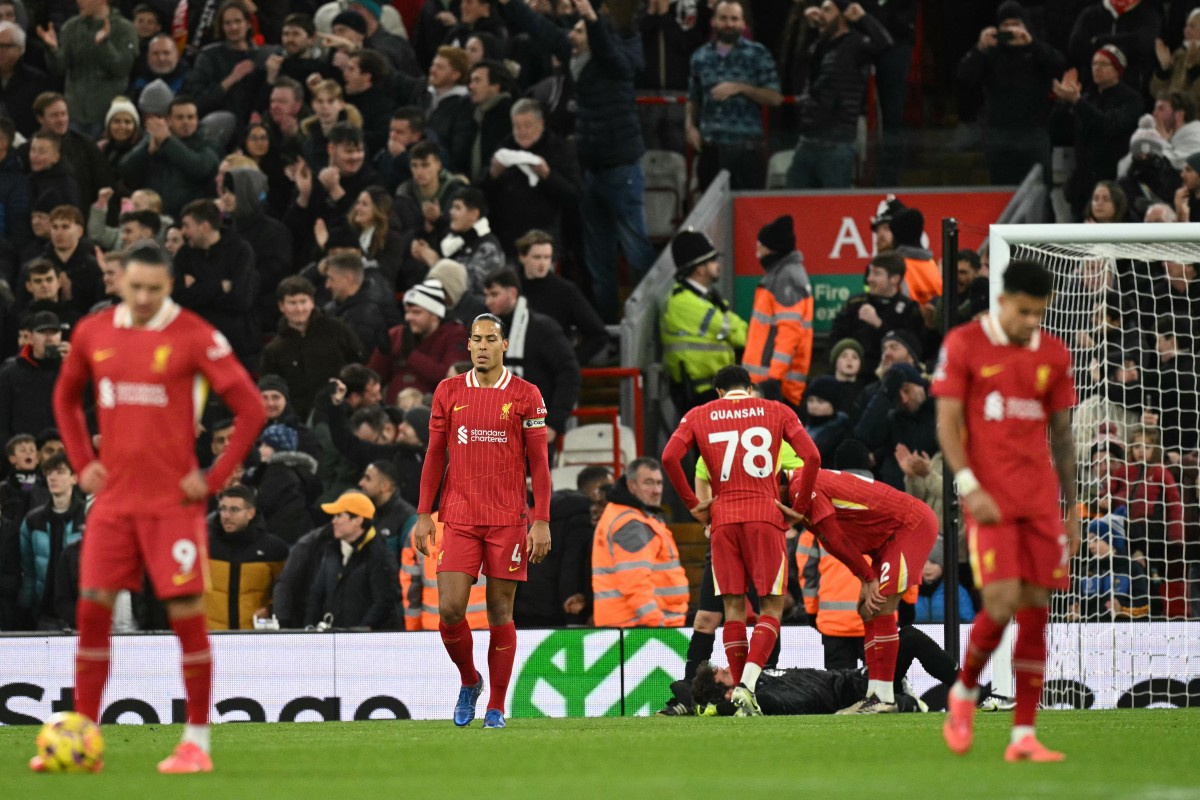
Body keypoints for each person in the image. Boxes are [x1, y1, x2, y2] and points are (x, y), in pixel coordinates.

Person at [46, 241, 266, 773]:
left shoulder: (195, 336)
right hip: (113, 503)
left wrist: (212, 480)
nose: (143, 297)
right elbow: (65, 398)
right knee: (91, 609)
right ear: (118, 280)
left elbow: (251, 408)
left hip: (172, 506)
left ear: (170, 286)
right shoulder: (93, 332)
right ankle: (82, 739)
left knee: (187, 617)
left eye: (154, 289)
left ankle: (196, 743)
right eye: (134, 286)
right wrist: (81, 463)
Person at [932, 258, 1078, 761]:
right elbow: (947, 424)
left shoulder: (1054, 355)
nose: (1031, 321)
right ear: (1002, 300)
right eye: (1023, 311)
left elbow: (1062, 436)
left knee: (1037, 608)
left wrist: (1073, 510)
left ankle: (1023, 735)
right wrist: (968, 484)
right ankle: (965, 690)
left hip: (1039, 503)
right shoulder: (964, 345)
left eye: (1039, 312)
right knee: (999, 603)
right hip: (989, 501)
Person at [411, 311, 552, 730]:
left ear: (504, 345)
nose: (483, 346)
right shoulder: (448, 391)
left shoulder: (526, 395)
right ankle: (469, 680)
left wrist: (541, 520)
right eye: (476, 339)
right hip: (458, 515)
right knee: (451, 609)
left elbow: (540, 464)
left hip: (507, 519)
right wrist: (424, 513)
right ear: (468, 345)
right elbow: (435, 454)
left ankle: (496, 705)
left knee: (499, 612)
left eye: (491, 339)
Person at [661, 364, 820, 716]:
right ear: (750, 388)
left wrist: (693, 505)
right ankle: (747, 686)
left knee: (732, 610)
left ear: (718, 393)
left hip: (723, 519)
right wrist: (801, 507)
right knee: (770, 607)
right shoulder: (777, 410)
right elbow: (812, 457)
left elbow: (670, 457)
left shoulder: (699, 414)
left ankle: (737, 695)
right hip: (765, 516)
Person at [497, 0, 655, 324]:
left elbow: (610, 53)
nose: (574, 35)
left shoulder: (616, 60)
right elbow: (540, 28)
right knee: (598, 262)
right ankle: (610, 329)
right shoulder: (575, 55)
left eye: (581, 30)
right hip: (591, 170)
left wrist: (591, 18)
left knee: (637, 253)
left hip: (621, 168)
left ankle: (647, 323)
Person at [780, 466, 938, 713]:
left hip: (909, 526)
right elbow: (831, 542)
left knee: (881, 606)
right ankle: (875, 694)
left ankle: (885, 697)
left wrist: (867, 578)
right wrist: (864, 578)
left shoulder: (802, 486)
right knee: (867, 611)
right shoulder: (798, 488)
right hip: (886, 539)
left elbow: (835, 537)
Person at [689, 626, 957, 715]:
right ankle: (961, 689)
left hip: (854, 678)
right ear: (728, 694)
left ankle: (904, 698)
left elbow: (683, 687)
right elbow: (806, 700)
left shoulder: (758, 677)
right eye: (725, 674)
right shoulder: (763, 698)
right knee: (908, 638)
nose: (729, 666)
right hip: (854, 691)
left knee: (903, 637)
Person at [955, 2, 1064, 186]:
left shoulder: (1037, 51)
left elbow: (1059, 65)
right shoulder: (991, 53)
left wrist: (1032, 44)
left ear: (1026, 26)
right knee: (1002, 192)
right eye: (1005, 26)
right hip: (999, 136)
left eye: (1016, 24)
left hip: (1034, 133)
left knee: (1040, 191)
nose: (1011, 29)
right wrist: (979, 48)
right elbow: (964, 77)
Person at [785, 0, 891, 189]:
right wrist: (809, 28)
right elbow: (799, 71)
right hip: (807, 139)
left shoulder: (856, 44)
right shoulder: (819, 45)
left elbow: (885, 45)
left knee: (833, 206)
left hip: (836, 142)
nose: (820, 14)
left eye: (827, 10)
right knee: (792, 202)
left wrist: (864, 18)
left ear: (843, 16)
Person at [685, 0, 780, 191]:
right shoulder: (700, 57)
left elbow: (775, 97)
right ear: (714, 22)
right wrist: (690, 127)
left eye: (734, 19)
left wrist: (740, 88)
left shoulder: (758, 54)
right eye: (724, 18)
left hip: (746, 150)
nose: (729, 24)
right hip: (710, 149)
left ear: (743, 23)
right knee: (709, 215)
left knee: (748, 215)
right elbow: (694, 97)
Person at [481, 267, 581, 447]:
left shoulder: (542, 328)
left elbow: (569, 372)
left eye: (494, 294)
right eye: (486, 295)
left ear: (512, 292)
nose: (489, 301)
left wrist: (554, 423)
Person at [591, 456, 689, 628]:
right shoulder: (632, 523)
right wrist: (656, 623)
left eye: (659, 483)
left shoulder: (628, 514)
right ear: (631, 485)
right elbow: (634, 582)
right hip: (640, 628)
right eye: (649, 483)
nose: (656, 490)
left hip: (632, 625)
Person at [660, 228, 748, 413]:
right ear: (700, 268)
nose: (718, 265)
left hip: (714, 391)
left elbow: (736, 327)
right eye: (712, 260)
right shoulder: (684, 303)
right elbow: (741, 336)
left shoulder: (703, 298)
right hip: (700, 394)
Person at [260, 276, 366, 419]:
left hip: (342, 412)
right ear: (281, 306)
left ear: (312, 302)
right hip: (300, 419)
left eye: (303, 301)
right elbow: (270, 388)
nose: (299, 309)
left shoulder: (337, 330)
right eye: (292, 303)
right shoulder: (274, 349)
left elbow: (360, 362)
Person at [37, 0, 138, 136]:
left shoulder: (124, 28)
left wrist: (104, 45)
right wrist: (53, 49)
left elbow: (122, 68)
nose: (79, 1)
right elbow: (59, 69)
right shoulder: (71, 27)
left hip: (106, 114)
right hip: (74, 112)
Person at [742, 215, 813, 408]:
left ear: (773, 249)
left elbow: (789, 332)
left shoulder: (785, 277)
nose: (757, 253)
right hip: (767, 385)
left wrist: (774, 378)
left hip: (777, 388)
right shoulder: (783, 274)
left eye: (760, 247)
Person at [305, 490, 401, 630]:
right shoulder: (332, 550)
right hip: (336, 640)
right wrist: (310, 626)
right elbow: (316, 593)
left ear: (358, 520)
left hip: (369, 645)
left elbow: (384, 602)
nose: (334, 521)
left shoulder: (380, 555)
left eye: (339, 516)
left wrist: (356, 635)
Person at [203, 483, 289, 630]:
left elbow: (285, 589)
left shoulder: (273, 549)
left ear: (250, 513)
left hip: (254, 639)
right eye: (223, 509)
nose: (226, 516)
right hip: (212, 636)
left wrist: (271, 609)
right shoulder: (203, 545)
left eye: (234, 510)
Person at [369, 278, 469, 401]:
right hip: (392, 410)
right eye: (407, 312)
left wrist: (411, 355)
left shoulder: (455, 335)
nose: (408, 317)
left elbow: (451, 378)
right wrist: (381, 353)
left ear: (435, 315)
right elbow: (373, 378)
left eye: (416, 312)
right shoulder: (397, 334)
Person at [18, 453, 86, 631]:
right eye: (49, 473)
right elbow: (28, 570)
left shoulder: (89, 519)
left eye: (60, 472)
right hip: (45, 613)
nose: (53, 477)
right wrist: (26, 607)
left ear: (74, 478)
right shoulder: (33, 520)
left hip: (81, 613)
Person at [828, 253, 924, 376]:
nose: (869, 279)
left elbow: (913, 349)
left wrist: (879, 324)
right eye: (870, 273)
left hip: (893, 376)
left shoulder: (908, 309)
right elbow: (835, 341)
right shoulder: (855, 304)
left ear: (894, 279)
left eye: (877, 274)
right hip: (855, 376)